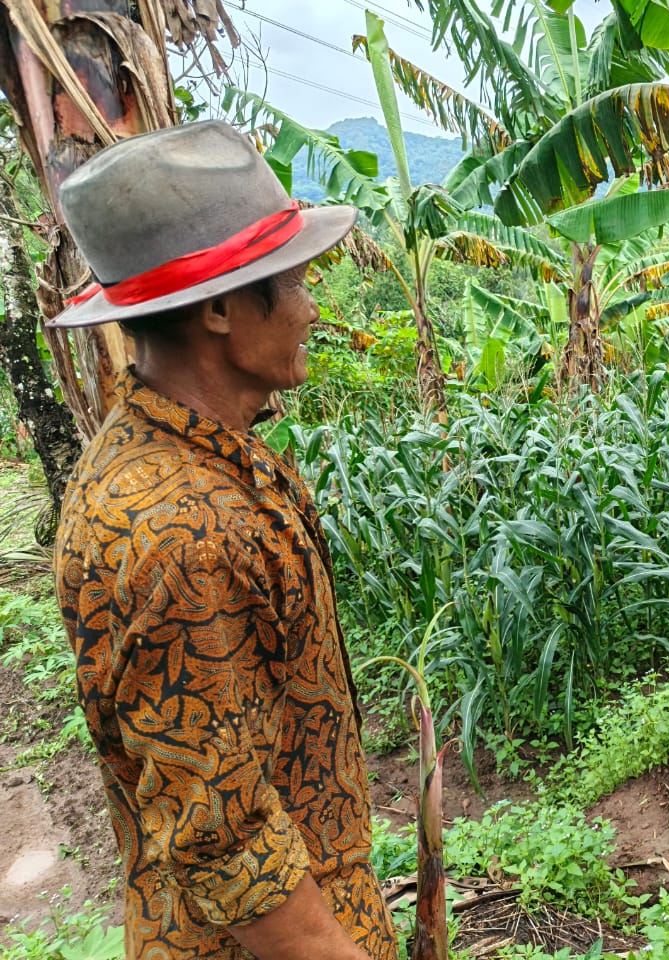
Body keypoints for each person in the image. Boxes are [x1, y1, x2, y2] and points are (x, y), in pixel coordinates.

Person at [51, 121, 398, 960]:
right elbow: (226, 844)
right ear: (218, 309)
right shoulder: (183, 536)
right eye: (296, 283)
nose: (313, 310)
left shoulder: (195, 451)